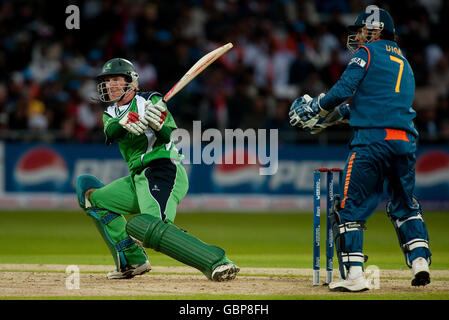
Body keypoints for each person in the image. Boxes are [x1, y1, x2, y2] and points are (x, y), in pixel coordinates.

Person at [289, 6, 431, 292]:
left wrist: (316, 108)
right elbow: (377, 102)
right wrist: (339, 113)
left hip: (371, 143)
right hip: (404, 142)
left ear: (376, 30)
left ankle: (354, 275)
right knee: (405, 205)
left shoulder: (367, 53)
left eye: (362, 30)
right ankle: (420, 263)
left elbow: (342, 90)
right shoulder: (404, 62)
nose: (357, 36)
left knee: (349, 207)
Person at [75, 57, 239, 281]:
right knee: (91, 195)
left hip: (162, 170)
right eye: (106, 80)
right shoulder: (110, 114)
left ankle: (217, 262)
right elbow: (111, 131)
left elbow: (169, 134)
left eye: (116, 79)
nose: (110, 85)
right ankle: (132, 260)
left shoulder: (151, 100)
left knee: (147, 227)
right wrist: (124, 124)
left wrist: (158, 122)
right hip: (138, 178)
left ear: (131, 82)